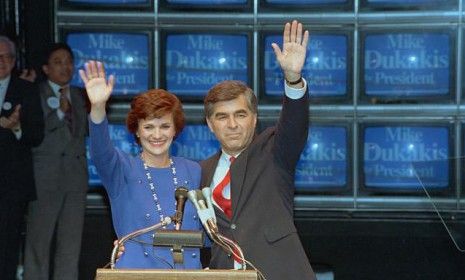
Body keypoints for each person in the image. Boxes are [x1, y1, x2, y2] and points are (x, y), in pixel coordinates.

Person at [200, 20, 316, 279]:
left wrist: (293, 79)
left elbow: (295, 125)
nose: (232, 125)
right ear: (210, 124)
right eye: (222, 117)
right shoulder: (201, 171)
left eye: (240, 115)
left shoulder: (274, 151)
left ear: (254, 118)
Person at [78, 60, 202, 269]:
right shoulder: (121, 169)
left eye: (164, 126)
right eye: (148, 127)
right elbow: (100, 151)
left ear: (175, 129)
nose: (157, 135)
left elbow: (204, 233)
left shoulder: (193, 170)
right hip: (136, 271)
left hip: (188, 273)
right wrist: (98, 107)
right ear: (136, 130)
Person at [23, 43, 88, 280]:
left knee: (70, 246)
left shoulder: (80, 96)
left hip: (75, 179)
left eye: (69, 62)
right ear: (46, 68)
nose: (65, 67)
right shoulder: (33, 93)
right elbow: (33, 131)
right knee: (38, 244)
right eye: (58, 62)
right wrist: (59, 113)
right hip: (44, 179)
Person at [0, 35, 44, 280]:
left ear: (15, 61)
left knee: (8, 247)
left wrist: (16, 127)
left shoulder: (25, 90)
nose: (2, 62)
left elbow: (37, 135)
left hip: (12, 187)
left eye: (7, 57)